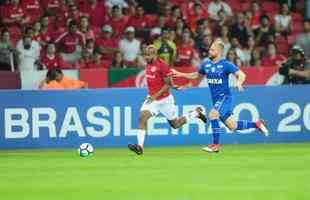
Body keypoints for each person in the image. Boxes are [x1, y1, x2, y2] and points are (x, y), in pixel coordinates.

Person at [172, 39, 269, 153]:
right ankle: (257, 124)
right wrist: (180, 74)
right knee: (232, 126)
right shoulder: (206, 64)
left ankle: (215, 145)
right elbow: (196, 75)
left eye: (212, 49)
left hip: (225, 98)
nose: (209, 51)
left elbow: (241, 74)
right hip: (216, 100)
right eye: (210, 49)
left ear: (219, 52)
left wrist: (239, 82)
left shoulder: (226, 64)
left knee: (213, 115)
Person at [127, 45, 207, 155]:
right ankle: (140, 146)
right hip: (152, 100)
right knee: (142, 117)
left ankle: (195, 114)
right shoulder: (148, 64)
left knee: (175, 124)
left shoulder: (162, 65)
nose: (146, 57)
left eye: (148, 55)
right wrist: (156, 95)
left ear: (155, 54)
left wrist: (157, 95)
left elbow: (167, 84)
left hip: (165, 100)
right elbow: (166, 82)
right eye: (145, 54)